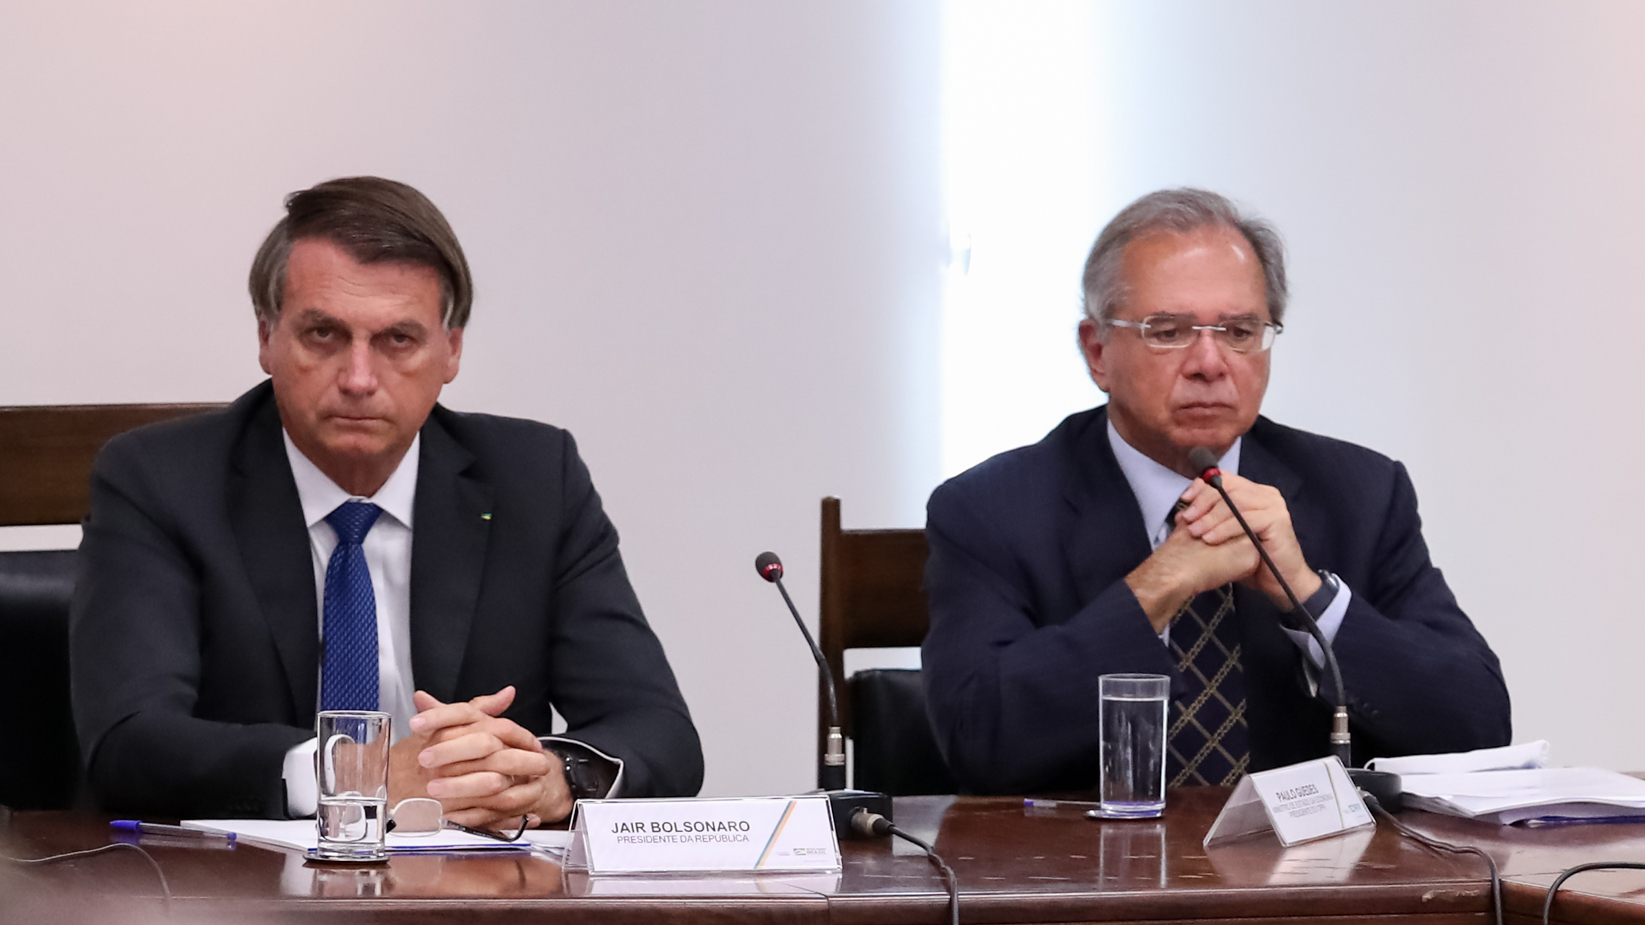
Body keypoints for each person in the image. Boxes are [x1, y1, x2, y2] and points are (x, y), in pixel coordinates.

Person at [71, 177, 702, 824]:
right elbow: (129, 742)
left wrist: (553, 777)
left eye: (398, 339)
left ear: (451, 349)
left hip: (474, 878)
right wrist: (356, 773)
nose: (359, 379)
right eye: (323, 334)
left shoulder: (536, 479)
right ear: (266, 337)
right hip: (248, 880)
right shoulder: (161, 481)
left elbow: (659, 731)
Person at [921, 188, 1510, 795]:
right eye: (1168, 331)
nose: (1210, 362)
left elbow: (1479, 726)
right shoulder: (991, 510)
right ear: (1097, 352)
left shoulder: (1360, 493)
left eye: (1238, 331)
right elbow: (975, 739)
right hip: (1092, 854)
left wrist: (1308, 594)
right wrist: (1158, 586)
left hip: (1312, 856)